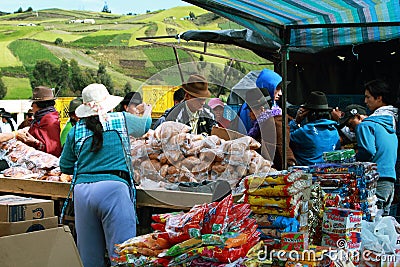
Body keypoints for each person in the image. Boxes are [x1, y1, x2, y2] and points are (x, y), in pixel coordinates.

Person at [59, 83, 152, 267]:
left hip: (83, 193)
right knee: (122, 255)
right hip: (114, 189)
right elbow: (144, 126)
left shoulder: (76, 129)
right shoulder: (122, 119)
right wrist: (145, 110)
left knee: (89, 258)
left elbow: (65, 166)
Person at [345, 80, 397, 215]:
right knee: (383, 223)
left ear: (379, 98)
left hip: (376, 181)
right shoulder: (390, 126)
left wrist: (351, 161)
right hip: (390, 180)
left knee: (372, 221)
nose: (365, 101)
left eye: (368, 97)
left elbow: (368, 151)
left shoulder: (366, 125)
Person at [246, 88, 296, 170]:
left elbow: (281, 148)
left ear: (261, 109)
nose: (249, 114)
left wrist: (289, 169)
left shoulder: (274, 123)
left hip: (277, 171)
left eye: (250, 110)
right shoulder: (262, 124)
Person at [289, 91, 340, 166]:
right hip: (328, 170)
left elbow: (285, 139)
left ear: (309, 113)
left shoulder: (307, 130)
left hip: (308, 171)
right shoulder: (334, 130)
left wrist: (296, 121)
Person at [17, 86, 62, 157]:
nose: (31, 106)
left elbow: (53, 150)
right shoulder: (39, 120)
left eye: (33, 102)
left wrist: (35, 142)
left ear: (39, 104)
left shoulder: (50, 121)